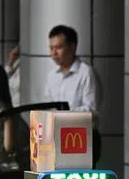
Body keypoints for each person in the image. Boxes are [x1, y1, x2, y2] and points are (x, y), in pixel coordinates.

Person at [43, 24, 102, 163]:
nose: (54, 53)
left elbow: (91, 110)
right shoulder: (52, 75)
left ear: (72, 47)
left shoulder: (86, 73)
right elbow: (47, 107)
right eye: (51, 48)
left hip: (82, 138)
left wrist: (62, 115)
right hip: (56, 138)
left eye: (58, 47)